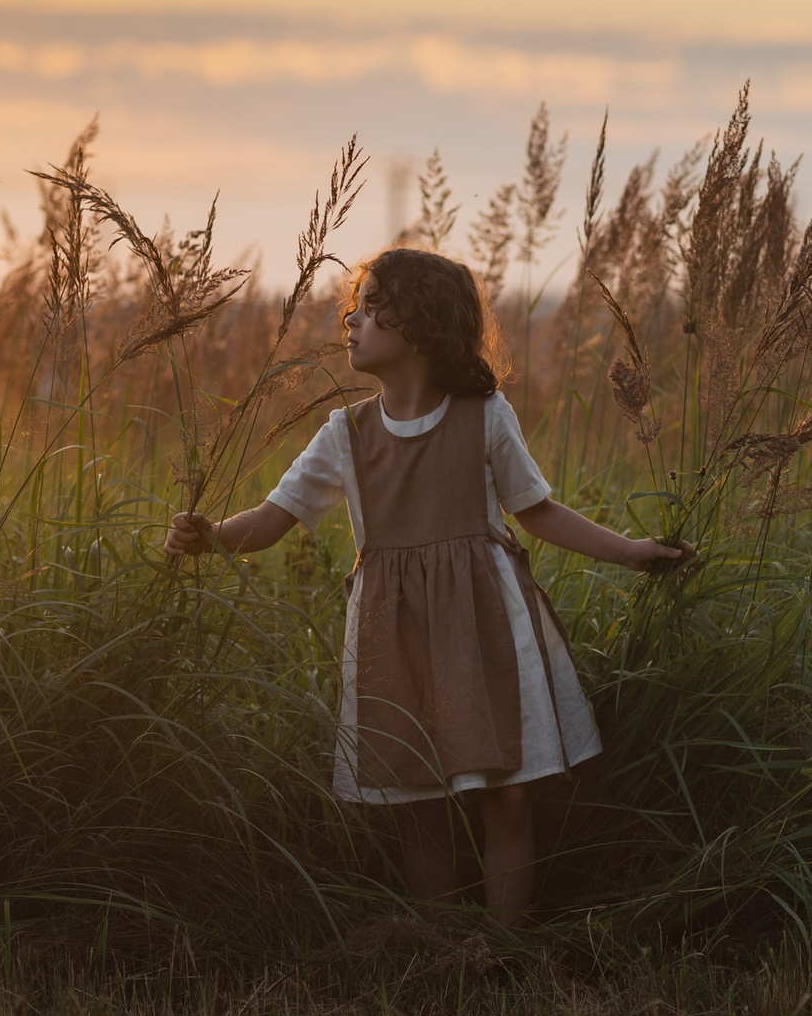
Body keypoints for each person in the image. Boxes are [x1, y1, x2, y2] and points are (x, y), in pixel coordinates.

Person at [164, 247, 689, 928]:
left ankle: (506, 949)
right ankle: (444, 952)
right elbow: (272, 519)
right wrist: (210, 536)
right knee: (421, 806)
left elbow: (536, 510)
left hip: (485, 627)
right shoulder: (344, 434)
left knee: (507, 796)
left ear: (420, 323)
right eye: (354, 304)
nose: (351, 318)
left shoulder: (484, 415)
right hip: (394, 635)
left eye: (372, 303)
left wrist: (630, 553)